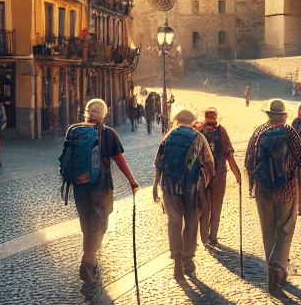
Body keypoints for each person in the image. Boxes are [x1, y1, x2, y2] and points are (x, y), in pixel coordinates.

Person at [70, 98, 139, 292]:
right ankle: (88, 261)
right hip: (100, 186)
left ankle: (90, 261)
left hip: (79, 186)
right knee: (101, 225)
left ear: (86, 112)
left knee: (87, 225)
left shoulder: (75, 132)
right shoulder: (108, 134)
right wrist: (132, 181)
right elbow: (119, 160)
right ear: (104, 114)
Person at [245, 99, 301, 293]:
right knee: (285, 230)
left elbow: (249, 163)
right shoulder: (290, 132)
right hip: (287, 189)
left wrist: (253, 184)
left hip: (263, 190)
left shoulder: (258, 133)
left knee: (268, 231)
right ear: (284, 116)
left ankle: (270, 275)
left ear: (269, 115)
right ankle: (277, 267)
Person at [153, 108, 215, 279]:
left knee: (174, 222)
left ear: (177, 120)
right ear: (193, 121)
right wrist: (204, 184)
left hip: (169, 186)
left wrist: (155, 187)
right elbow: (209, 163)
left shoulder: (169, 137)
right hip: (190, 187)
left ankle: (177, 258)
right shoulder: (198, 137)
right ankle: (187, 259)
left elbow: (158, 162)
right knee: (191, 221)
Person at [195, 106, 242, 248]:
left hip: (202, 176)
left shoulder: (198, 131)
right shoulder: (221, 131)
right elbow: (229, 155)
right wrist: (237, 175)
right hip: (219, 176)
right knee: (216, 207)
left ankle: (204, 237)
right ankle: (213, 237)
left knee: (203, 207)